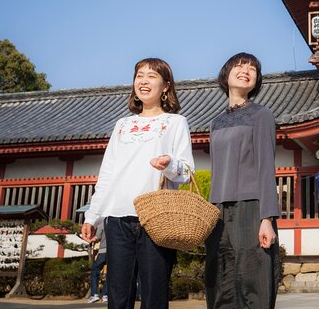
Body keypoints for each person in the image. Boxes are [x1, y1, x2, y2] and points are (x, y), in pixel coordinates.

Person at [81, 58, 194, 309]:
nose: (143, 80)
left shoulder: (175, 122)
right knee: (118, 295)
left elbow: (187, 172)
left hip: (155, 217)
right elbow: (108, 173)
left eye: (152, 76)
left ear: (165, 86)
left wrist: (169, 164)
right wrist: (93, 217)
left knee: (154, 295)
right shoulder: (122, 125)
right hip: (118, 217)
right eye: (139, 75)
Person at [204, 52, 281, 309]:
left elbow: (266, 167)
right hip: (218, 212)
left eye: (252, 69)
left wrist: (267, 218)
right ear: (226, 74)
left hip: (251, 208)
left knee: (253, 283)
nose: (246, 70)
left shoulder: (261, 115)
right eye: (239, 66)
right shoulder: (216, 122)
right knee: (220, 283)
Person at [87, 224, 108, 303]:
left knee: (95, 272)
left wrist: (90, 238)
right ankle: (105, 295)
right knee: (110, 274)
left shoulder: (102, 223)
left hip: (103, 251)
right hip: (114, 252)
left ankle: (94, 295)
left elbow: (97, 238)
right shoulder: (119, 222)